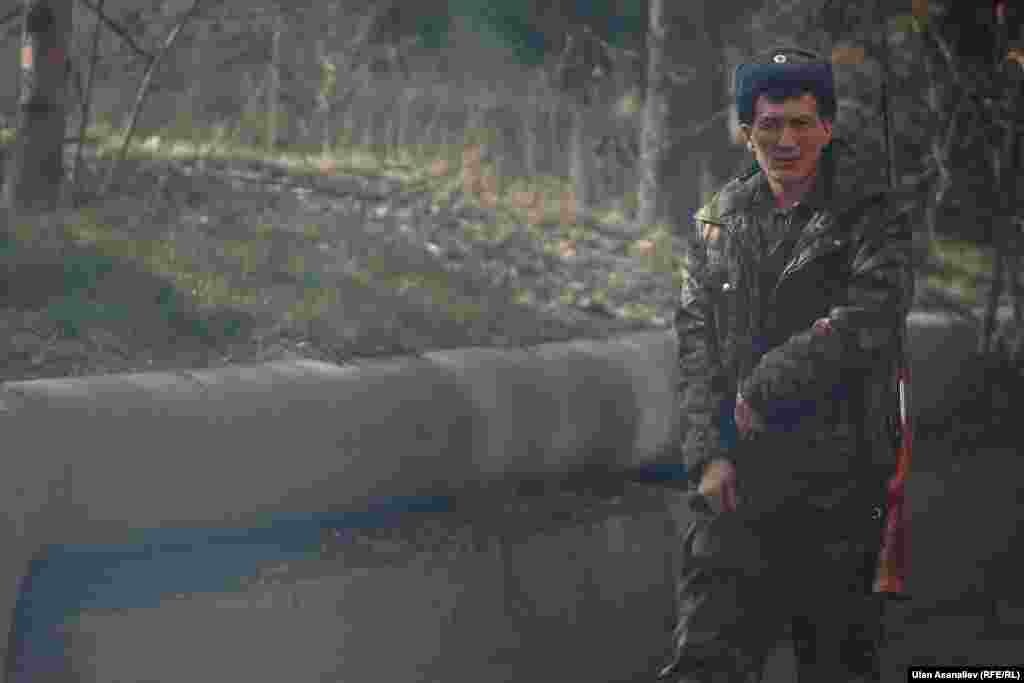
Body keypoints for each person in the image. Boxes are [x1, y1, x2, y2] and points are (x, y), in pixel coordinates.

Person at [659, 47, 915, 682]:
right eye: (769, 125)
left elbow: (870, 319)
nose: (786, 140)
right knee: (705, 663)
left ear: (827, 126)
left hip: (841, 486)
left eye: (801, 123)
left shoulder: (872, 214)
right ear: (746, 133)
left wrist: (765, 385)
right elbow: (696, 348)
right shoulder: (716, 222)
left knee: (834, 663)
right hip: (739, 484)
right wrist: (707, 455)